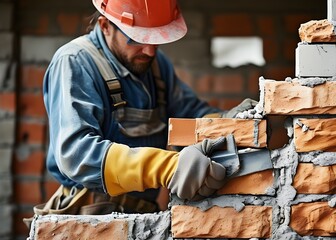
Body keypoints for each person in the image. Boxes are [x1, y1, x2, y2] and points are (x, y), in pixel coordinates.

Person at [42, 0, 257, 214]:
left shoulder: (154, 64)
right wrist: (165, 167)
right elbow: (77, 155)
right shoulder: (75, 62)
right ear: (105, 25)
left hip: (143, 215)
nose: (150, 51)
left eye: (155, 39)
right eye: (137, 39)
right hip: (91, 217)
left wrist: (226, 122)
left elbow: (189, 116)